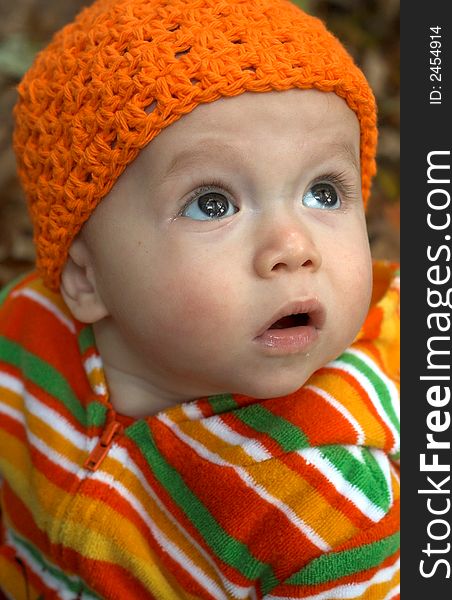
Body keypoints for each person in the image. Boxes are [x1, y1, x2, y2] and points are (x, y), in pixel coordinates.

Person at [0, 0, 400, 598]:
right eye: (212, 203)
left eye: (324, 192)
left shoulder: (330, 508)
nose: (294, 247)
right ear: (86, 277)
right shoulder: (25, 334)